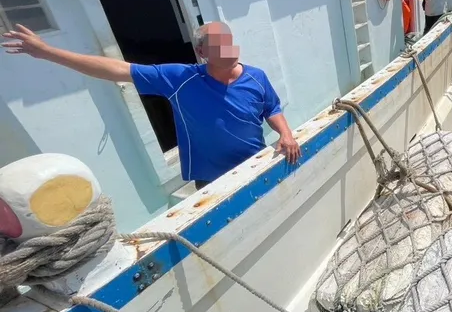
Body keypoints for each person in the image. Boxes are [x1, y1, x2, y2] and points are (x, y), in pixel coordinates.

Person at [1, 21, 300, 190]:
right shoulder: (180, 78)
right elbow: (116, 69)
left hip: (256, 164)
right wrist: (48, 52)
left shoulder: (256, 76)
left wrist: (285, 134)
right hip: (211, 180)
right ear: (201, 51)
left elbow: (271, 109)